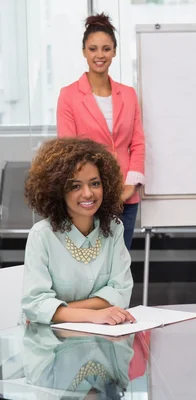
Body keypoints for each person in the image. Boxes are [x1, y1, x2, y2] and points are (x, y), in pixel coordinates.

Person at [22, 138, 135, 325]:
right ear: (57, 190)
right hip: (50, 345)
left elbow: (121, 293)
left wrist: (58, 309)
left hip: (102, 342)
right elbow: (35, 305)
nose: (88, 193)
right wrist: (94, 315)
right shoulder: (42, 235)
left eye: (95, 183)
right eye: (75, 186)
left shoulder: (114, 228)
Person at [57, 13, 145, 250]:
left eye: (106, 49)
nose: (100, 55)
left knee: (120, 264)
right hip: (87, 197)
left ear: (114, 52)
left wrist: (129, 186)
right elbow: (68, 151)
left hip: (126, 197)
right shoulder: (69, 95)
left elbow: (137, 142)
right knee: (90, 264)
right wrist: (93, 190)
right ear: (84, 51)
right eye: (93, 49)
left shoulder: (128, 94)